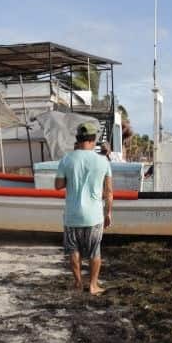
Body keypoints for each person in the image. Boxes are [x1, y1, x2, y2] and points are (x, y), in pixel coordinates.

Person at [55, 121, 113, 294]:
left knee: (74, 250)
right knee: (95, 251)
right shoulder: (103, 161)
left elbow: (58, 185)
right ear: (93, 139)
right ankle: (93, 285)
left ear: (78, 139)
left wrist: (70, 179)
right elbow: (109, 192)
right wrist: (108, 212)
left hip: (72, 215)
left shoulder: (67, 159)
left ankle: (78, 283)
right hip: (94, 216)